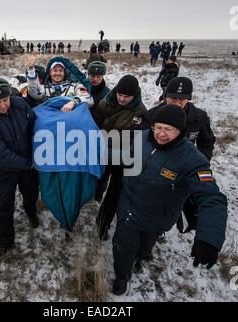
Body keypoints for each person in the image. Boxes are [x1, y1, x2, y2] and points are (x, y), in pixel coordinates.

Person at [112, 104, 227, 296]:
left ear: (180, 131)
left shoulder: (193, 160)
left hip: (157, 217)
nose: (161, 134)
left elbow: (212, 197)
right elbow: (128, 159)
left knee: (145, 247)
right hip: (128, 208)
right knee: (122, 246)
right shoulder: (143, 137)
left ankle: (139, 258)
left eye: (168, 130)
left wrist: (209, 237)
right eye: (158, 127)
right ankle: (122, 275)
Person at [142, 77, 216, 233]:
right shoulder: (152, 116)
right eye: (173, 98)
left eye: (182, 99)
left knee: (175, 202)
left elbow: (207, 142)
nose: (177, 102)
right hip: (157, 167)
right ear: (165, 95)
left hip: (182, 169)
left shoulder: (199, 117)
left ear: (188, 98)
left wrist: (198, 162)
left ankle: (162, 227)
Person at [0, 78, 39, 260]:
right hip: (6, 169)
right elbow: (1, 156)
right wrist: (28, 163)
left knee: (31, 192)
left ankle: (31, 213)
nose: (3, 105)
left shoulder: (20, 105)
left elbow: (35, 124)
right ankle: (6, 242)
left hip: (28, 162)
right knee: (3, 205)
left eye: (5, 100)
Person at [92, 75, 147, 240]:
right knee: (99, 179)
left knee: (115, 192)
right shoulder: (104, 103)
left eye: (127, 97)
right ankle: (96, 193)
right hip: (103, 152)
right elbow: (95, 124)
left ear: (134, 95)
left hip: (123, 157)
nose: (122, 99)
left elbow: (136, 137)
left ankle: (104, 223)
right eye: (120, 95)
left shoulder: (140, 112)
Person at [27, 56, 93, 111]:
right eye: (55, 70)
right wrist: (31, 70)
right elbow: (34, 93)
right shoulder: (44, 88)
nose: (58, 73)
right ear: (50, 73)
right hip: (48, 121)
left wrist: (73, 102)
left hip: (70, 121)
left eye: (61, 71)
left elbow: (89, 99)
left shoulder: (75, 86)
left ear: (64, 73)